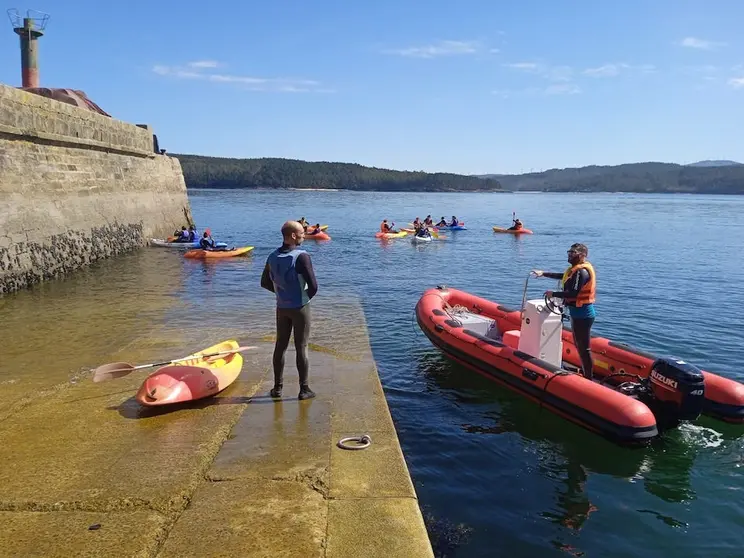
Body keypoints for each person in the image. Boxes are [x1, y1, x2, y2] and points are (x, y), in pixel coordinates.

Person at [260, 220, 318, 400]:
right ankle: (304, 389)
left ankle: (277, 389)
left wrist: (281, 294)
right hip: (299, 307)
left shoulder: (272, 256)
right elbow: (314, 286)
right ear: (293, 235)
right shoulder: (302, 256)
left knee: (280, 346)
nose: (304, 236)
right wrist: (302, 298)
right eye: (301, 233)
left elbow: (264, 282)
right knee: (301, 347)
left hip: (281, 307)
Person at [532, 243, 596, 380]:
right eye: (569, 252)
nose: (570, 255)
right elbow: (563, 276)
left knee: (584, 348)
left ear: (582, 255)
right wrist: (544, 273)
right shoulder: (575, 270)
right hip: (576, 313)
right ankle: (586, 374)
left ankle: (589, 378)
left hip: (583, 315)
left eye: (573, 253)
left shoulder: (582, 272)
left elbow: (573, 293)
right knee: (579, 346)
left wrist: (553, 294)